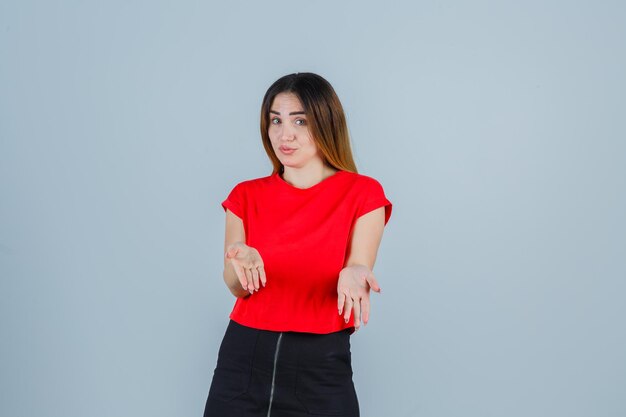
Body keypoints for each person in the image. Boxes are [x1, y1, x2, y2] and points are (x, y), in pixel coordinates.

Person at [203, 72, 392, 417]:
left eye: (300, 121)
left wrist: (356, 272)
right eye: (275, 120)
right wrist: (239, 261)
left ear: (325, 122)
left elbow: (360, 262)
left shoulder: (364, 193)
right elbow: (235, 287)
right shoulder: (245, 195)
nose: (284, 134)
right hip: (242, 361)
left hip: (320, 366)